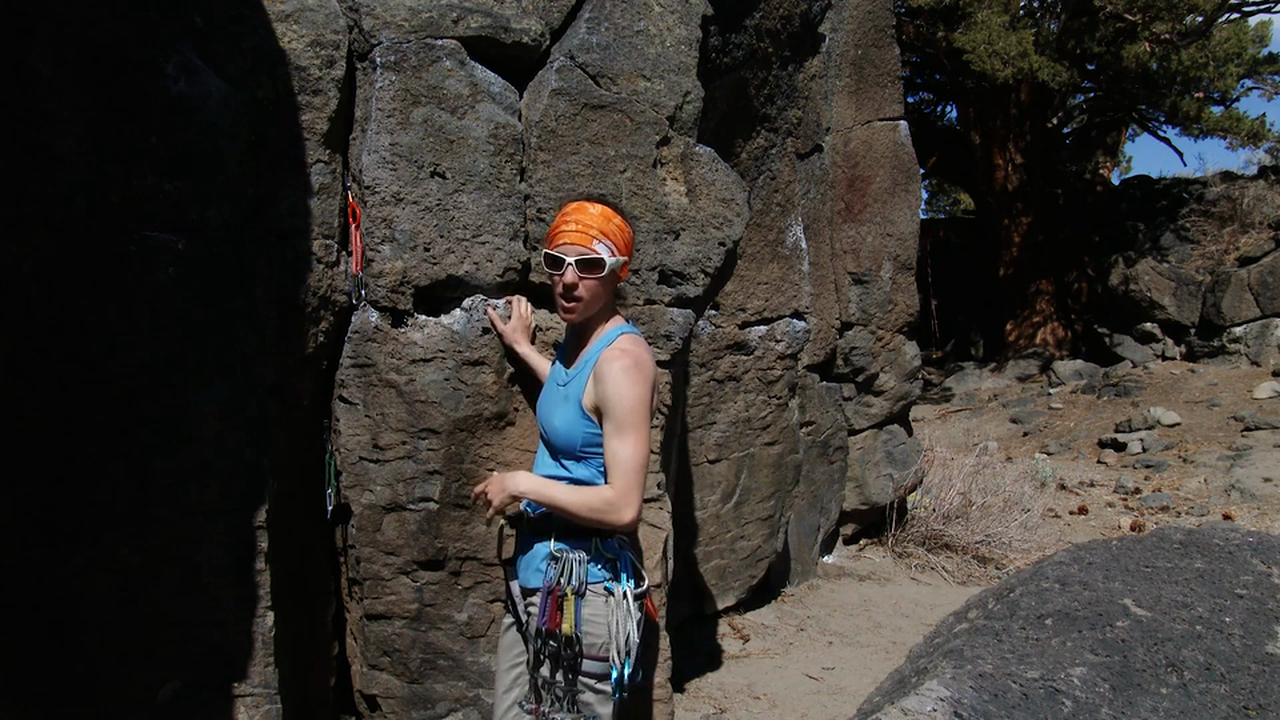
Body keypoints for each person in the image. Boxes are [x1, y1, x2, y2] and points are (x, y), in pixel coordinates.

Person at [474, 199, 659, 720]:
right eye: (557, 263)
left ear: (619, 273)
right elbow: (573, 398)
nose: (569, 280)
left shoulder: (622, 361)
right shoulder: (579, 342)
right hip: (540, 575)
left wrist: (522, 484)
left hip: (585, 591)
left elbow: (624, 507)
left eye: (590, 266)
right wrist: (524, 349)